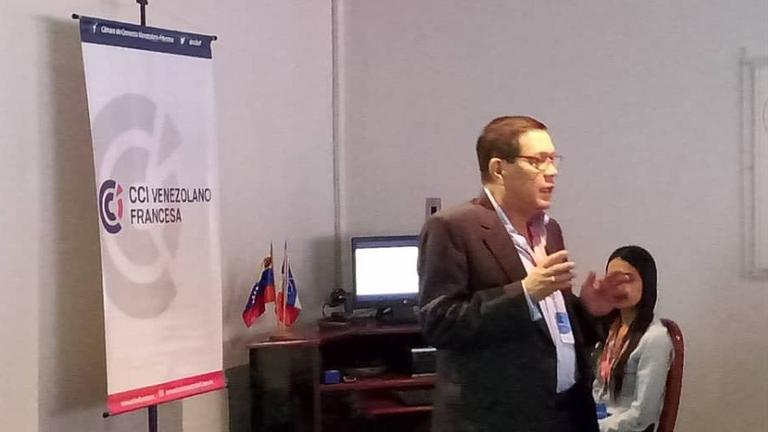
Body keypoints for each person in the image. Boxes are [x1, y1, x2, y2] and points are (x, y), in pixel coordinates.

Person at [418, 115, 628, 432]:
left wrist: (587, 310)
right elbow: (440, 323)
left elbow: (549, 331)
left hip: (566, 414)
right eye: (538, 161)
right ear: (498, 169)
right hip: (497, 420)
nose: (552, 171)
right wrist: (525, 293)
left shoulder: (550, 231)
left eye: (553, 159)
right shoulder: (453, 227)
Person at [592, 246, 673, 432]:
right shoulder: (609, 330)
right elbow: (597, 390)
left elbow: (642, 415)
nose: (618, 287)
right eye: (612, 280)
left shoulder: (655, 338)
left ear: (646, 282)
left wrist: (593, 427)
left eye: (627, 279)